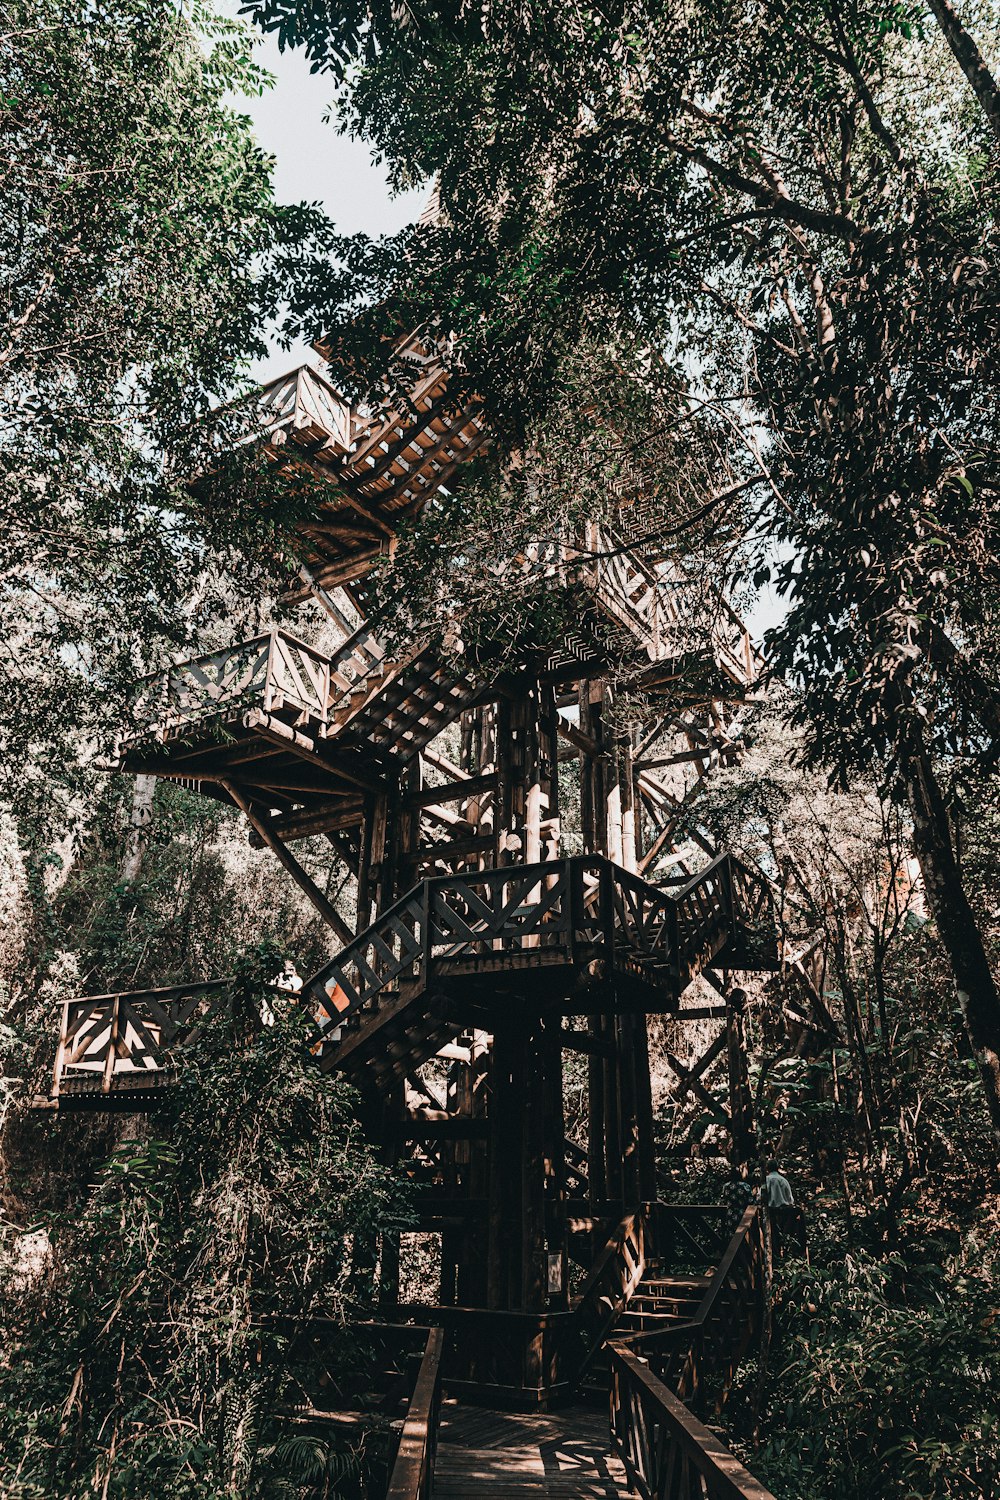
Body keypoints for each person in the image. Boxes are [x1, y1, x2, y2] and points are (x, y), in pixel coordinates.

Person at [762, 1159, 805, 1261]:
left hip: (771, 1212)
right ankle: (789, 1252)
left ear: (767, 1169)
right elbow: (790, 1200)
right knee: (785, 1233)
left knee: (773, 1233)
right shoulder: (783, 1180)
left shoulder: (766, 1181)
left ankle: (775, 1254)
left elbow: (761, 1197)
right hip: (785, 1212)